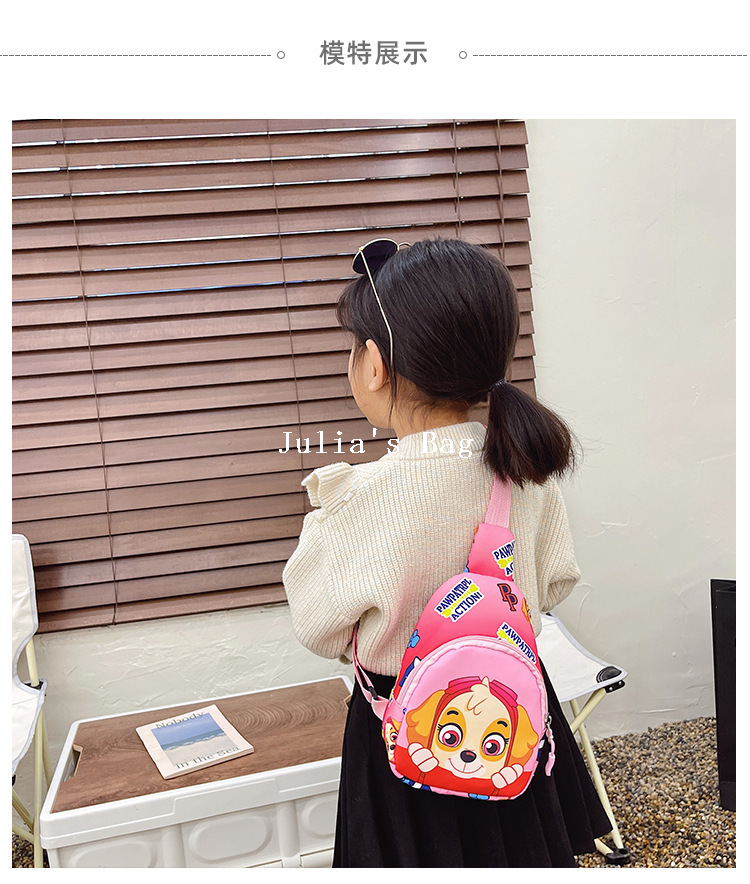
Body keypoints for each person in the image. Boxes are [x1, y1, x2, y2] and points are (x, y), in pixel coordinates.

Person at [283, 237, 611, 867]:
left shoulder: (353, 500)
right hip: (509, 718)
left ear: (374, 364)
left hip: (404, 727)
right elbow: (555, 581)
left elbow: (319, 629)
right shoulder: (525, 474)